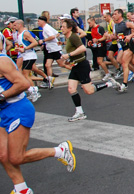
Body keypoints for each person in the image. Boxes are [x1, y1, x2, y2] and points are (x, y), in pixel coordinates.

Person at [0, 53, 76, 194]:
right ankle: (21, 189)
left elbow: (23, 83)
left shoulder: (1, 61)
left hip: (17, 109)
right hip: (3, 112)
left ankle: (60, 151)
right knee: (3, 155)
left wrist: (2, 96)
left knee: (17, 157)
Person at [60, 19, 120, 121]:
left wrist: (68, 55)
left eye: (63, 27)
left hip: (82, 66)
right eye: (61, 27)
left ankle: (109, 83)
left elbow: (83, 48)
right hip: (75, 66)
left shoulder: (73, 36)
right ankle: (80, 112)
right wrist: (68, 60)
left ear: (69, 28)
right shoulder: (68, 38)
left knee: (89, 90)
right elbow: (75, 52)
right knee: (71, 89)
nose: (61, 28)